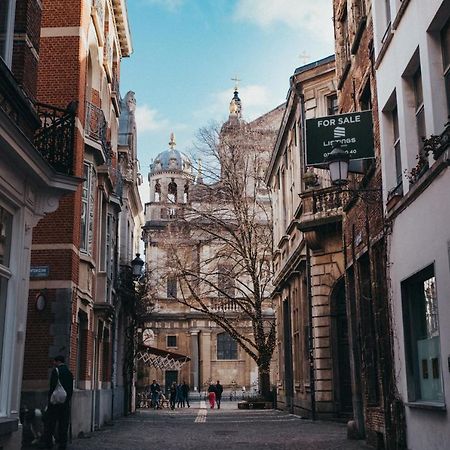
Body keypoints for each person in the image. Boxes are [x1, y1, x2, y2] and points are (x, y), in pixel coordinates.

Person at [40, 355, 73, 450]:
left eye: (54, 362)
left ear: (57, 361)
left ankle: (48, 443)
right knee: (63, 424)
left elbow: (53, 387)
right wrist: (67, 400)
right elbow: (70, 389)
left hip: (55, 403)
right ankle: (62, 444)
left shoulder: (56, 371)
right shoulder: (69, 373)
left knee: (50, 423)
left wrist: (50, 400)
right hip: (65, 403)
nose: (53, 363)